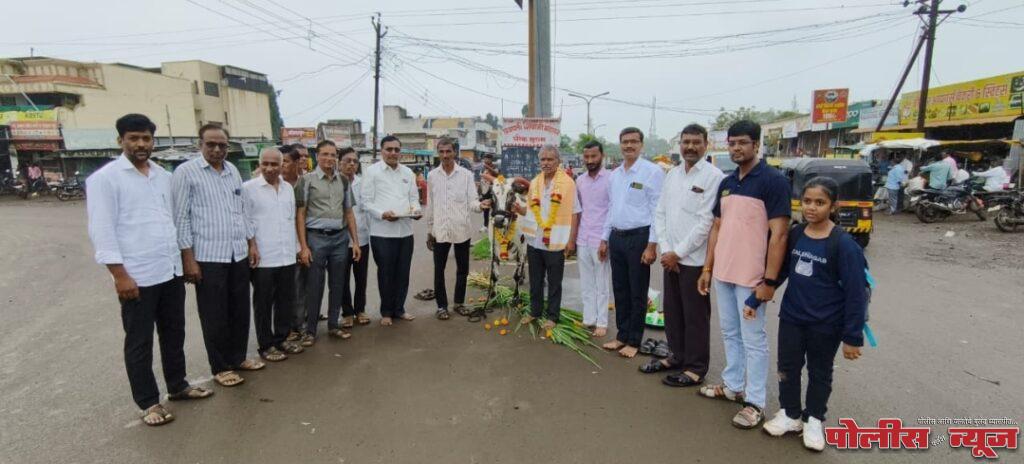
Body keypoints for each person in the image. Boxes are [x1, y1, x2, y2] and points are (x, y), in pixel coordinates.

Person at [87, 113, 213, 427]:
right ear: (121, 141)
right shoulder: (105, 179)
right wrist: (120, 275)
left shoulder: (162, 176)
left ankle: (178, 386)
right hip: (137, 276)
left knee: (174, 333)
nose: (141, 144)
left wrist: (184, 260)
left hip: (169, 270)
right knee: (139, 341)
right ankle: (148, 402)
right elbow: (102, 230)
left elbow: (173, 222)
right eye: (134, 138)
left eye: (146, 138)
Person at [759, 177, 867, 451]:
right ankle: (790, 414)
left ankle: (814, 419)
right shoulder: (796, 234)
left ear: (833, 206)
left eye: (820, 202)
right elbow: (782, 270)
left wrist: (852, 337)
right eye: (807, 201)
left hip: (826, 325)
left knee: (820, 372)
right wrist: (756, 296)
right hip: (792, 318)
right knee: (787, 368)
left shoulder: (844, 245)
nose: (811, 207)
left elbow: (856, 294)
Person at [697, 120, 791, 429]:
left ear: (756, 145)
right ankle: (733, 386)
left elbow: (779, 235)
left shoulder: (773, 181)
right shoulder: (727, 182)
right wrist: (708, 268)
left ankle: (755, 402)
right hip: (723, 273)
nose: (736, 148)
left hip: (751, 278)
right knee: (729, 332)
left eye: (742, 142)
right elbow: (717, 227)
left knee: (753, 339)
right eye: (732, 143)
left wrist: (769, 281)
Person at [172, 123, 264, 388]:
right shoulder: (186, 173)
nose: (217, 149)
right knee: (214, 314)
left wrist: (251, 244)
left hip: (237, 253)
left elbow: (242, 211)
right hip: (208, 256)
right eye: (211, 144)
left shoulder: (232, 170)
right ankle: (221, 366)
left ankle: (238, 357)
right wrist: (188, 258)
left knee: (239, 309)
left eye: (222, 145)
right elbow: (181, 218)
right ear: (200, 144)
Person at [647, 124, 724, 388]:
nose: (690, 147)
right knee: (673, 312)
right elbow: (661, 213)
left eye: (696, 142)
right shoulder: (672, 174)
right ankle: (676, 356)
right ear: (679, 144)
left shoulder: (713, 177)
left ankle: (695, 368)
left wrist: (678, 253)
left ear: (706, 145)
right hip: (671, 258)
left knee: (695, 317)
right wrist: (667, 249)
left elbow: (706, 222)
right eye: (686, 142)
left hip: (694, 261)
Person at [599, 127, 665, 358]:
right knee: (620, 289)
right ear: (620, 145)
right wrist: (604, 238)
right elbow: (611, 208)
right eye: (625, 142)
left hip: (639, 238)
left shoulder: (652, 172)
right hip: (616, 237)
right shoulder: (615, 175)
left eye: (633, 142)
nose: (629, 145)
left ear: (641, 145)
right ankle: (621, 335)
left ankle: (634, 340)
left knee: (637, 291)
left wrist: (652, 245)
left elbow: (657, 210)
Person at [295, 140, 361, 346]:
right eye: (325, 154)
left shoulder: (343, 181)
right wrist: (303, 246)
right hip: (315, 238)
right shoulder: (306, 181)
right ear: (317, 156)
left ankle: (333, 325)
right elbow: (300, 214)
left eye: (333, 155)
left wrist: (355, 242)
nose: (329, 158)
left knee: (338, 283)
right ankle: (310, 330)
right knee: (314, 285)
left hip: (340, 239)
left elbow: (348, 212)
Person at [243, 147, 305, 362]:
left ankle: (282, 338)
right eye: (265, 164)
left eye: (274, 164)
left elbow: (291, 220)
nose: (269, 168)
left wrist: (298, 248)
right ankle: (266, 345)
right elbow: (245, 220)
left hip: (286, 255)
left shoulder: (287, 188)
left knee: (285, 300)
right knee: (263, 303)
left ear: (282, 165)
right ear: (259, 164)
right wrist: (251, 245)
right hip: (263, 257)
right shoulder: (249, 188)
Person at [425, 137, 489, 320]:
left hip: (462, 229)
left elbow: (472, 201)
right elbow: (430, 204)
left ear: (455, 152)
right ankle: (441, 306)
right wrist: (430, 230)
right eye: (441, 152)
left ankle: (459, 303)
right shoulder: (432, 176)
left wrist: (480, 206)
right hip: (440, 230)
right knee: (439, 270)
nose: (445, 155)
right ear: (438, 153)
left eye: (448, 151)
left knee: (462, 269)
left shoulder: (466, 175)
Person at [519, 145, 580, 330]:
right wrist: (518, 210)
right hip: (535, 240)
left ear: (558, 161)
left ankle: (553, 316)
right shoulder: (535, 182)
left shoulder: (568, 183)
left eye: (550, 159)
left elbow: (575, 212)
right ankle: (535, 311)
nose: (546, 163)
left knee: (554, 282)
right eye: (543, 159)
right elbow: (531, 210)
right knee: (535, 280)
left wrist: (571, 241)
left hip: (557, 240)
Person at [362, 135, 421, 326]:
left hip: (405, 232)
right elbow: (366, 202)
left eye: (396, 149)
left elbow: (414, 198)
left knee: (403, 273)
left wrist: (416, 210)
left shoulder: (408, 173)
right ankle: (386, 312)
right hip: (382, 233)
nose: (393, 153)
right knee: (386, 273)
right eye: (389, 149)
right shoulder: (372, 172)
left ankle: (399, 309)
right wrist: (382, 214)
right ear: (382, 151)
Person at [572, 140, 612, 337]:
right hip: (583, 238)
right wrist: (573, 239)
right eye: (586, 157)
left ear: (602, 156)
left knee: (601, 283)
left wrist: (605, 239)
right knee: (586, 282)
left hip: (600, 239)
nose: (590, 160)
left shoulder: (611, 179)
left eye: (593, 156)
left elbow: (613, 210)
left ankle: (602, 322)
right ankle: (589, 318)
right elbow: (577, 211)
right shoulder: (580, 181)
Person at [339, 147, 372, 327]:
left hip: (362, 238)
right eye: (348, 161)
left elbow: (367, 209)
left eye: (355, 161)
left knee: (361, 278)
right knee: (342, 279)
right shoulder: (334, 183)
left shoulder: (363, 183)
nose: (351, 164)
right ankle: (347, 313)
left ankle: (360, 310)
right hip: (340, 241)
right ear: (340, 163)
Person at [479, 153, 500, 232]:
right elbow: (481, 180)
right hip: (485, 191)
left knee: (494, 208)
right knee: (485, 209)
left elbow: (497, 174)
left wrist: (488, 167)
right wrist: (480, 192)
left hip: (493, 191)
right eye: (485, 158)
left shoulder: (495, 167)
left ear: (491, 160)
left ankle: (494, 224)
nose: (486, 160)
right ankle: (485, 225)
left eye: (488, 159)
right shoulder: (482, 168)